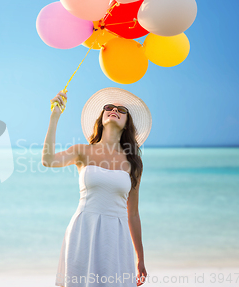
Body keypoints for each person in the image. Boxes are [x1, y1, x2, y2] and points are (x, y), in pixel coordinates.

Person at [42, 88, 152, 286]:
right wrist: (55, 117)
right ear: (101, 117)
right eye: (109, 107)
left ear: (127, 123)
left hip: (116, 237)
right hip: (83, 231)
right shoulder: (82, 151)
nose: (114, 110)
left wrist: (140, 257)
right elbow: (48, 160)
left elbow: (133, 214)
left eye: (121, 110)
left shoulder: (133, 163)